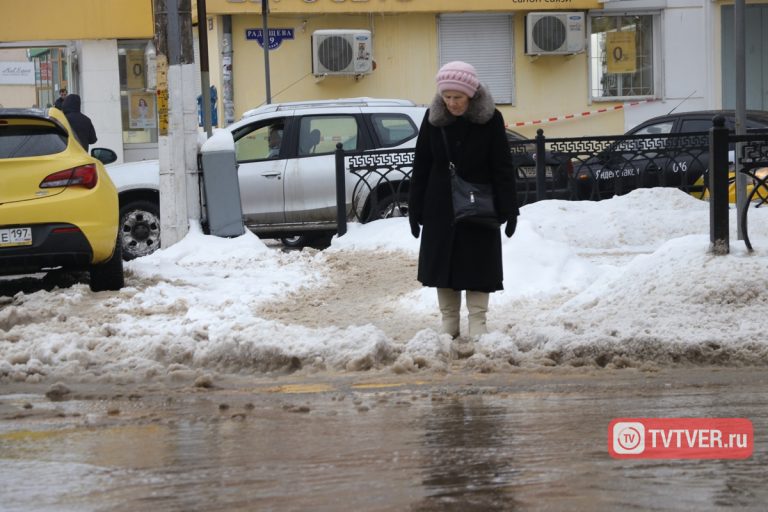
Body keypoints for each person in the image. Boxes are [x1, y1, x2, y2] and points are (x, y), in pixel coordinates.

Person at [408, 61, 519, 340]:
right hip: (440, 205)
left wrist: (509, 208)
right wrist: (415, 208)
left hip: (478, 204)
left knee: (478, 263)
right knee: (442, 264)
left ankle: (478, 322)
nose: (452, 103)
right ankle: (449, 323)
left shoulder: (490, 119)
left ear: (470, 94)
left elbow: (502, 165)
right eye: (447, 97)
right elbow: (421, 164)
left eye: (457, 97)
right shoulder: (433, 118)